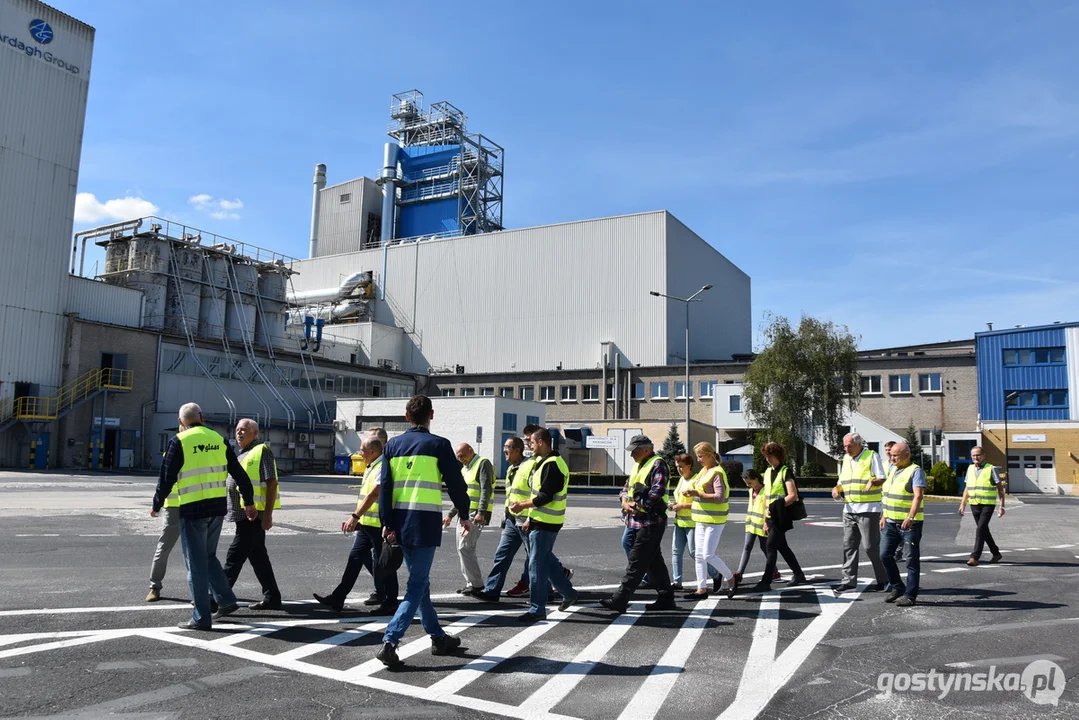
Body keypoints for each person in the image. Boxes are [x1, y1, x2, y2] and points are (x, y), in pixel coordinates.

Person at [376, 395, 471, 666]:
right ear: (432, 415)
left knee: (422, 583)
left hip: (399, 525)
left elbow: (385, 488)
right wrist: (464, 514)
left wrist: (387, 523)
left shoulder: (392, 445)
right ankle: (390, 641)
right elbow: (456, 484)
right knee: (416, 585)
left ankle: (438, 637)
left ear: (407, 416)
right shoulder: (439, 445)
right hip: (425, 524)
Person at [151, 403, 256, 630]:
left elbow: (166, 477)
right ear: (202, 417)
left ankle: (201, 617)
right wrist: (249, 502)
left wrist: (156, 504)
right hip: (217, 509)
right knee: (208, 557)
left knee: (196, 565)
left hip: (192, 510)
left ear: (181, 422)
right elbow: (239, 474)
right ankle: (226, 600)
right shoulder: (219, 439)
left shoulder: (179, 441)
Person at [313, 434, 399, 614]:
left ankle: (391, 601)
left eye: (362, 451)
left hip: (378, 524)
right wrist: (359, 519)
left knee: (385, 564)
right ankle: (338, 598)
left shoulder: (382, 466)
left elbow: (374, 494)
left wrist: (355, 516)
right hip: (367, 523)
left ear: (373, 451)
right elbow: (365, 496)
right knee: (355, 558)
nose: (360, 454)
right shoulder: (371, 465)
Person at [509, 428, 578, 622]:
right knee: (545, 562)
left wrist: (522, 505)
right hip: (541, 520)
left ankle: (537, 609)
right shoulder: (544, 462)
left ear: (541, 442)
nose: (529, 446)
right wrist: (530, 517)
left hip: (547, 523)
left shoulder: (553, 464)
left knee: (536, 566)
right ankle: (569, 594)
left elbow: (545, 497)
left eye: (531, 442)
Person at [601, 434, 675, 613]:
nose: (631, 454)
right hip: (637, 521)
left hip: (651, 521)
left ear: (646, 449)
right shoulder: (639, 465)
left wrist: (636, 506)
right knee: (654, 561)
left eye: (634, 450)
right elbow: (626, 489)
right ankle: (666, 597)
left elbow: (657, 492)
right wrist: (625, 502)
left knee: (637, 561)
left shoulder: (658, 464)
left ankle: (620, 599)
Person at [222, 419, 283, 610]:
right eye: (237, 430)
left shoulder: (261, 451)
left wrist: (268, 515)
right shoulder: (243, 453)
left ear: (255, 434)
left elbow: (271, 483)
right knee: (258, 556)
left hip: (254, 515)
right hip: (244, 515)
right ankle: (272, 596)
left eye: (244, 430)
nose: (239, 433)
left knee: (235, 556)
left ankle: (218, 597)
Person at [473, 437, 531, 601]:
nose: (504, 450)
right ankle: (492, 591)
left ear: (517, 450)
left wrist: (530, 518)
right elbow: (511, 495)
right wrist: (506, 518)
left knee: (535, 557)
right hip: (512, 520)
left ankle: (551, 588)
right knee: (502, 554)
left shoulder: (528, 467)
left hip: (526, 520)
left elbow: (535, 493)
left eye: (507, 447)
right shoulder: (511, 468)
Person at [832, 433, 888, 593]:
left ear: (859, 444)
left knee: (870, 547)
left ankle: (884, 579)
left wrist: (873, 481)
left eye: (849, 446)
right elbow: (841, 482)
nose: (846, 449)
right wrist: (836, 489)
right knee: (848, 546)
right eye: (845, 446)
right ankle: (848, 581)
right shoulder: (846, 459)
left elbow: (882, 478)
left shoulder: (871, 456)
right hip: (849, 509)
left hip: (868, 509)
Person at [751, 442, 807, 592]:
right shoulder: (768, 472)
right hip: (770, 516)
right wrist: (765, 520)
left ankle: (766, 581)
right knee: (782, 546)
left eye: (770, 456)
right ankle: (798, 574)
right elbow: (766, 497)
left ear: (777, 456)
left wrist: (777, 507)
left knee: (770, 546)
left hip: (781, 515)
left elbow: (793, 495)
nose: (767, 459)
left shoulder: (785, 471)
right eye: (766, 456)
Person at [683, 442, 734, 600]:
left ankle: (731, 579)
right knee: (699, 555)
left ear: (710, 455)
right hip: (701, 518)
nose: (697, 459)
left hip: (714, 520)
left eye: (700, 456)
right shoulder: (705, 471)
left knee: (707, 555)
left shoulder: (717, 472)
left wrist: (696, 493)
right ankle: (701, 589)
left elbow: (719, 497)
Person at [879, 442, 925, 607]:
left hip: (909, 525)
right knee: (884, 555)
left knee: (911, 560)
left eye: (895, 455)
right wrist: (884, 515)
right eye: (891, 455)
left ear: (906, 455)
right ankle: (897, 586)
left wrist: (910, 517)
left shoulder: (915, 471)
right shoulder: (893, 470)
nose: (892, 458)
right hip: (891, 522)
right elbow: (888, 495)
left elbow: (917, 496)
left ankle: (910, 595)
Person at [444, 443, 493, 595]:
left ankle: (476, 584)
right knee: (462, 549)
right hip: (464, 513)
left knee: (465, 547)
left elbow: (486, 489)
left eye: (462, 456)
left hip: (475, 514)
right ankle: (471, 582)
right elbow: (462, 496)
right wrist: (451, 514)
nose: (461, 459)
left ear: (471, 451)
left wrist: (481, 511)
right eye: (458, 457)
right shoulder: (465, 468)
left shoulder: (482, 463)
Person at [959, 446, 1005, 566]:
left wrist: (1002, 506)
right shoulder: (969, 469)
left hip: (987, 505)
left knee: (980, 529)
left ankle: (974, 557)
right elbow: (967, 488)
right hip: (974, 504)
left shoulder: (991, 469)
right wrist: (963, 504)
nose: (976, 457)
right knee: (984, 530)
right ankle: (996, 553)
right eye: (973, 455)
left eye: (978, 455)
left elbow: (1000, 489)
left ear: (984, 455)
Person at [731, 468, 769, 596]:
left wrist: (765, 523)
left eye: (749, 482)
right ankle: (739, 573)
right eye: (746, 483)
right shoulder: (750, 491)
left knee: (765, 548)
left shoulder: (765, 491)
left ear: (756, 479)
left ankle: (773, 571)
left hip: (761, 525)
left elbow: (766, 508)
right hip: (751, 524)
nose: (748, 485)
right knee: (747, 547)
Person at [145, 474, 180, 602]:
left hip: (191, 506)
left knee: (164, 547)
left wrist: (156, 506)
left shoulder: (171, 453)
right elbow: (165, 481)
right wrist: (157, 504)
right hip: (175, 506)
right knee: (164, 547)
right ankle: (155, 586)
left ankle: (155, 586)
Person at [668, 454, 699, 591]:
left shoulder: (696, 480)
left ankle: (716, 574)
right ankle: (677, 581)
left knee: (694, 552)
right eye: (677, 467)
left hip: (693, 522)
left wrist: (681, 506)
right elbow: (680, 498)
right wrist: (674, 504)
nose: (679, 469)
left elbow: (700, 503)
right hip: (679, 521)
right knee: (676, 552)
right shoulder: (681, 480)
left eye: (681, 466)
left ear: (689, 465)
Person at [882, 440, 905, 564]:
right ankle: (889, 551)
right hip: (885, 501)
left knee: (900, 529)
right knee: (885, 528)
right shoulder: (884, 465)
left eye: (890, 450)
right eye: (886, 450)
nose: (888, 452)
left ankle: (898, 553)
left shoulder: (902, 466)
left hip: (899, 502)